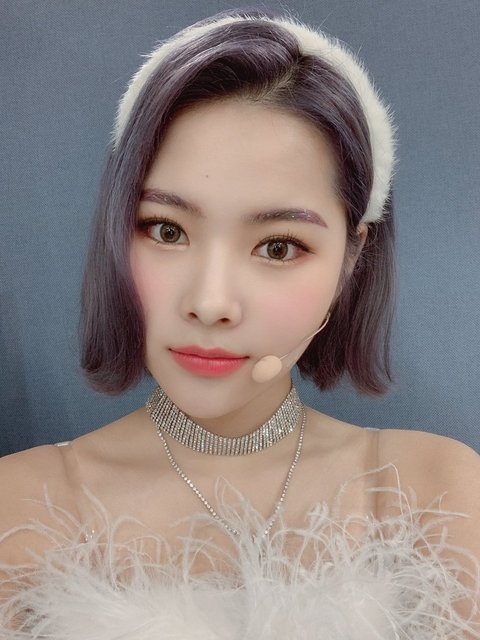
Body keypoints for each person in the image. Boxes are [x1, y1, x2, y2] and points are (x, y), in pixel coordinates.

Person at [0, 8, 479, 638]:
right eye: (166, 231)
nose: (210, 302)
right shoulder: (23, 507)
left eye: (278, 246)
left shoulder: (432, 492)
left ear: (351, 259)